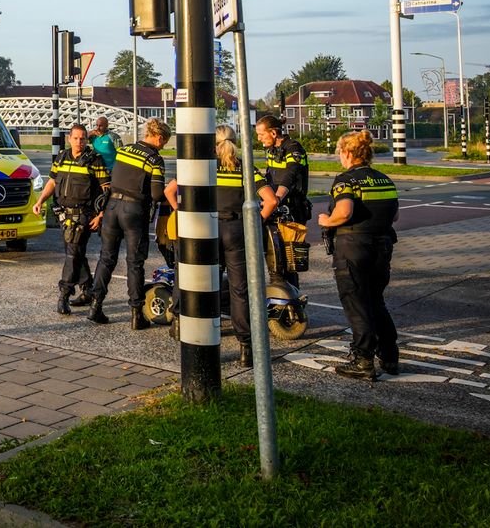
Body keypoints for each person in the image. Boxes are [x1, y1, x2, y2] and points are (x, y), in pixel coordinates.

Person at [166, 125, 277, 366]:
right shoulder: (246, 169)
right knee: (240, 289)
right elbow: (271, 200)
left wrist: (184, 213)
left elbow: (169, 191)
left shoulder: (202, 165)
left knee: (204, 283)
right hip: (237, 231)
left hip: (208, 229)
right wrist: (255, 222)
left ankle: (201, 332)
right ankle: (246, 346)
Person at [318, 130, 400, 380]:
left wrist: (327, 220)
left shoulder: (346, 180)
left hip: (353, 247)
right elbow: (394, 216)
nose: (340, 158)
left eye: (340, 153)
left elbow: (344, 211)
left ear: (348, 153)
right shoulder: (384, 179)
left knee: (356, 303)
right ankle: (389, 355)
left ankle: (363, 360)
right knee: (376, 301)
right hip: (382, 246)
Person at [87, 118, 171, 328]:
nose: (164, 146)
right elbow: (156, 194)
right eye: (165, 142)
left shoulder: (124, 150)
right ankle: (136, 314)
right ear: (159, 138)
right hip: (134, 211)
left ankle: (95, 307)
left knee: (106, 258)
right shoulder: (154, 159)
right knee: (134, 263)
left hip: (112, 207)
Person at [32, 124, 110, 315]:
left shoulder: (95, 160)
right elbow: (52, 181)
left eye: (83, 138)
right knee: (76, 253)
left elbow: (107, 189)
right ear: (69, 138)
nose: (79, 142)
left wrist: (101, 215)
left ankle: (64, 294)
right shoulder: (61, 157)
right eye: (76, 138)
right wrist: (40, 201)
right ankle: (88, 290)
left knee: (72, 253)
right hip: (63, 214)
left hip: (83, 215)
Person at [255, 114, 310, 286]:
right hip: (275, 210)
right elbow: (270, 177)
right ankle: (279, 293)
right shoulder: (272, 150)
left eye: (261, 134)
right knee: (274, 259)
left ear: (273, 133)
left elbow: (290, 176)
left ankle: (292, 298)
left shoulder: (294, 148)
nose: (259, 138)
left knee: (289, 261)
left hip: (292, 211)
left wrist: (276, 198)